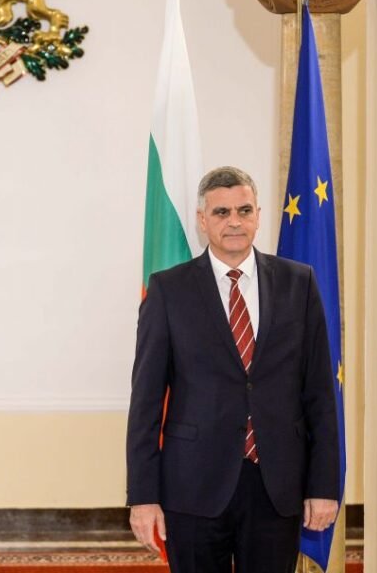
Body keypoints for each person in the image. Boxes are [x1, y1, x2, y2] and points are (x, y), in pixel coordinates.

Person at [126, 166, 339, 573]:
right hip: (192, 486)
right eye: (221, 212)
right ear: (202, 220)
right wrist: (143, 495)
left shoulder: (299, 284)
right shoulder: (169, 290)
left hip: (276, 483)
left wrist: (323, 486)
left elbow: (319, 395)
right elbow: (146, 403)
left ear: (258, 214)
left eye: (244, 210)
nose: (234, 222)